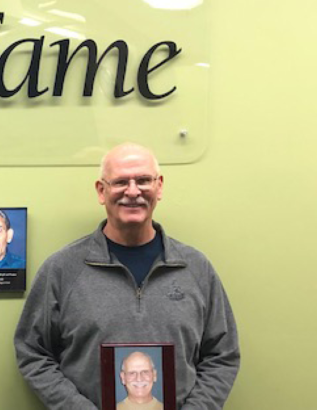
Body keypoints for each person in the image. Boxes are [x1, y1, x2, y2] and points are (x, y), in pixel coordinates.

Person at [14, 143, 239, 410]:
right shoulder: (62, 269)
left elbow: (222, 355)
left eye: (143, 180)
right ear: (101, 190)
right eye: (121, 182)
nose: (133, 192)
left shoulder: (196, 268)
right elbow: (32, 352)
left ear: (159, 187)